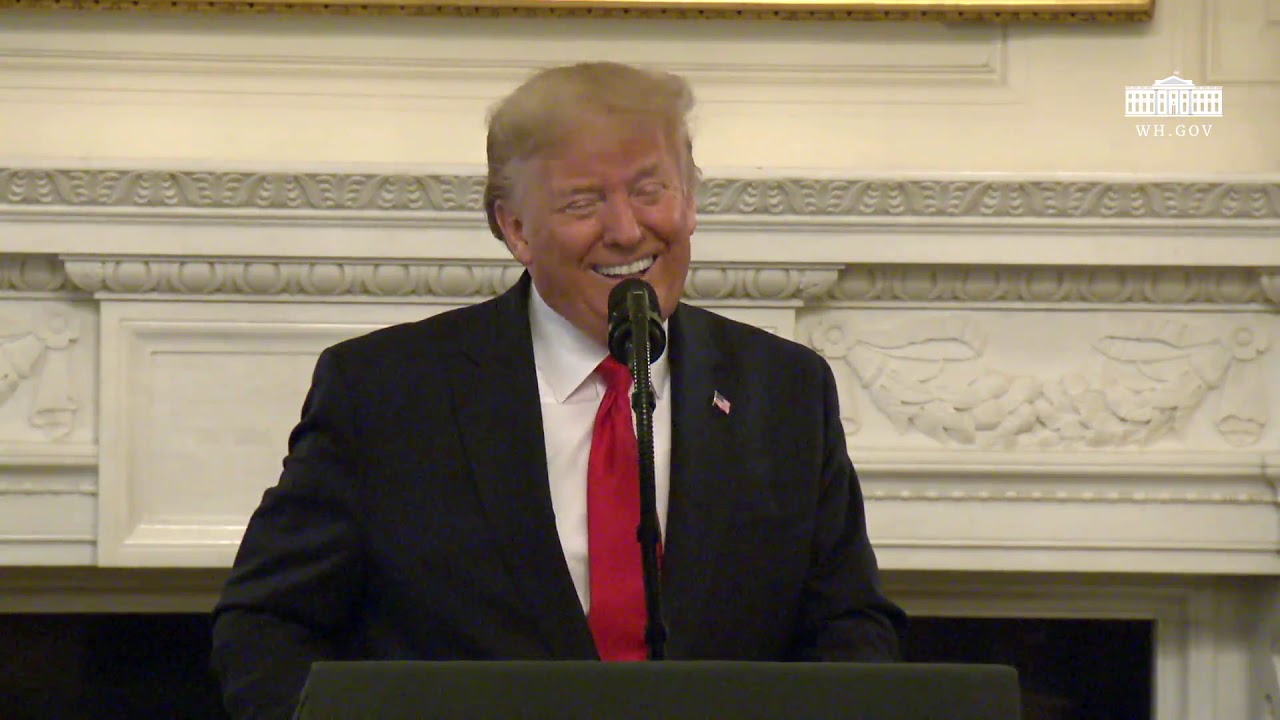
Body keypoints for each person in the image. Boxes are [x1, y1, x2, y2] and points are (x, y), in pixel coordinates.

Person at [210, 61, 906, 720]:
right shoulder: (387, 392)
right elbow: (268, 626)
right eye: (584, 202)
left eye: (650, 189)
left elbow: (849, 624)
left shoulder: (782, 390)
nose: (627, 229)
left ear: (690, 201)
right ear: (514, 228)